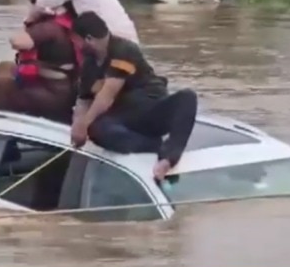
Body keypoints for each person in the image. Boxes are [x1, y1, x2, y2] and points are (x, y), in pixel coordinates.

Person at [69, 13, 198, 181]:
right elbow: (83, 100)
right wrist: (78, 127)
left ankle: (169, 156)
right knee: (98, 129)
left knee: (187, 98)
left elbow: (107, 95)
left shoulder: (123, 50)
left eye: (76, 40)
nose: (75, 45)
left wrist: (84, 123)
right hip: (124, 118)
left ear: (88, 39)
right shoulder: (89, 64)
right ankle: (151, 146)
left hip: (150, 110)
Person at [0, 0, 82, 124]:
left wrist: (30, 19)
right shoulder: (68, 24)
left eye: (33, 5)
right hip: (62, 87)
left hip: (53, 94)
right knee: (4, 67)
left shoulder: (50, 28)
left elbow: (18, 42)